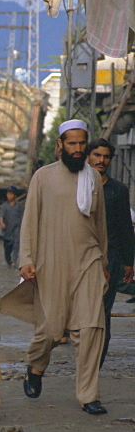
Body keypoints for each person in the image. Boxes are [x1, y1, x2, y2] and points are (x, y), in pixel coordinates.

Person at [17, 119, 109, 416]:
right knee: (50, 329)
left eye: (82, 143)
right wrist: (26, 259)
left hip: (88, 261)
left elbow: (100, 225)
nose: (78, 149)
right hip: (51, 261)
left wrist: (104, 262)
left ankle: (88, 395)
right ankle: (35, 366)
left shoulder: (93, 178)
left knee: (91, 327)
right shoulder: (43, 177)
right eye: (72, 143)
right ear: (60, 145)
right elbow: (30, 221)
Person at [86, 138, 135, 367]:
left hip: (112, 259)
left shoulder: (118, 191)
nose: (101, 160)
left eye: (106, 156)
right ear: (88, 157)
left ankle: (95, 362)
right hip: (81, 258)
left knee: (103, 312)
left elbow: (125, 226)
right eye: (97, 155)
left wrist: (128, 261)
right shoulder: (80, 186)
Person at [0, 186, 24, 268]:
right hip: (7, 229)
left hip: (16, 228)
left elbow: (23, 216)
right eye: (8, 194)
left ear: (15, 196)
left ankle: (14, 261)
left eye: (11, 194)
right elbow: (1, 215)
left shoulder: (19, 206)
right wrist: (2, 223)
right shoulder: (4, 206)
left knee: (16, 245)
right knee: (7, 247)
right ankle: (9, 260)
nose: (9, 196)